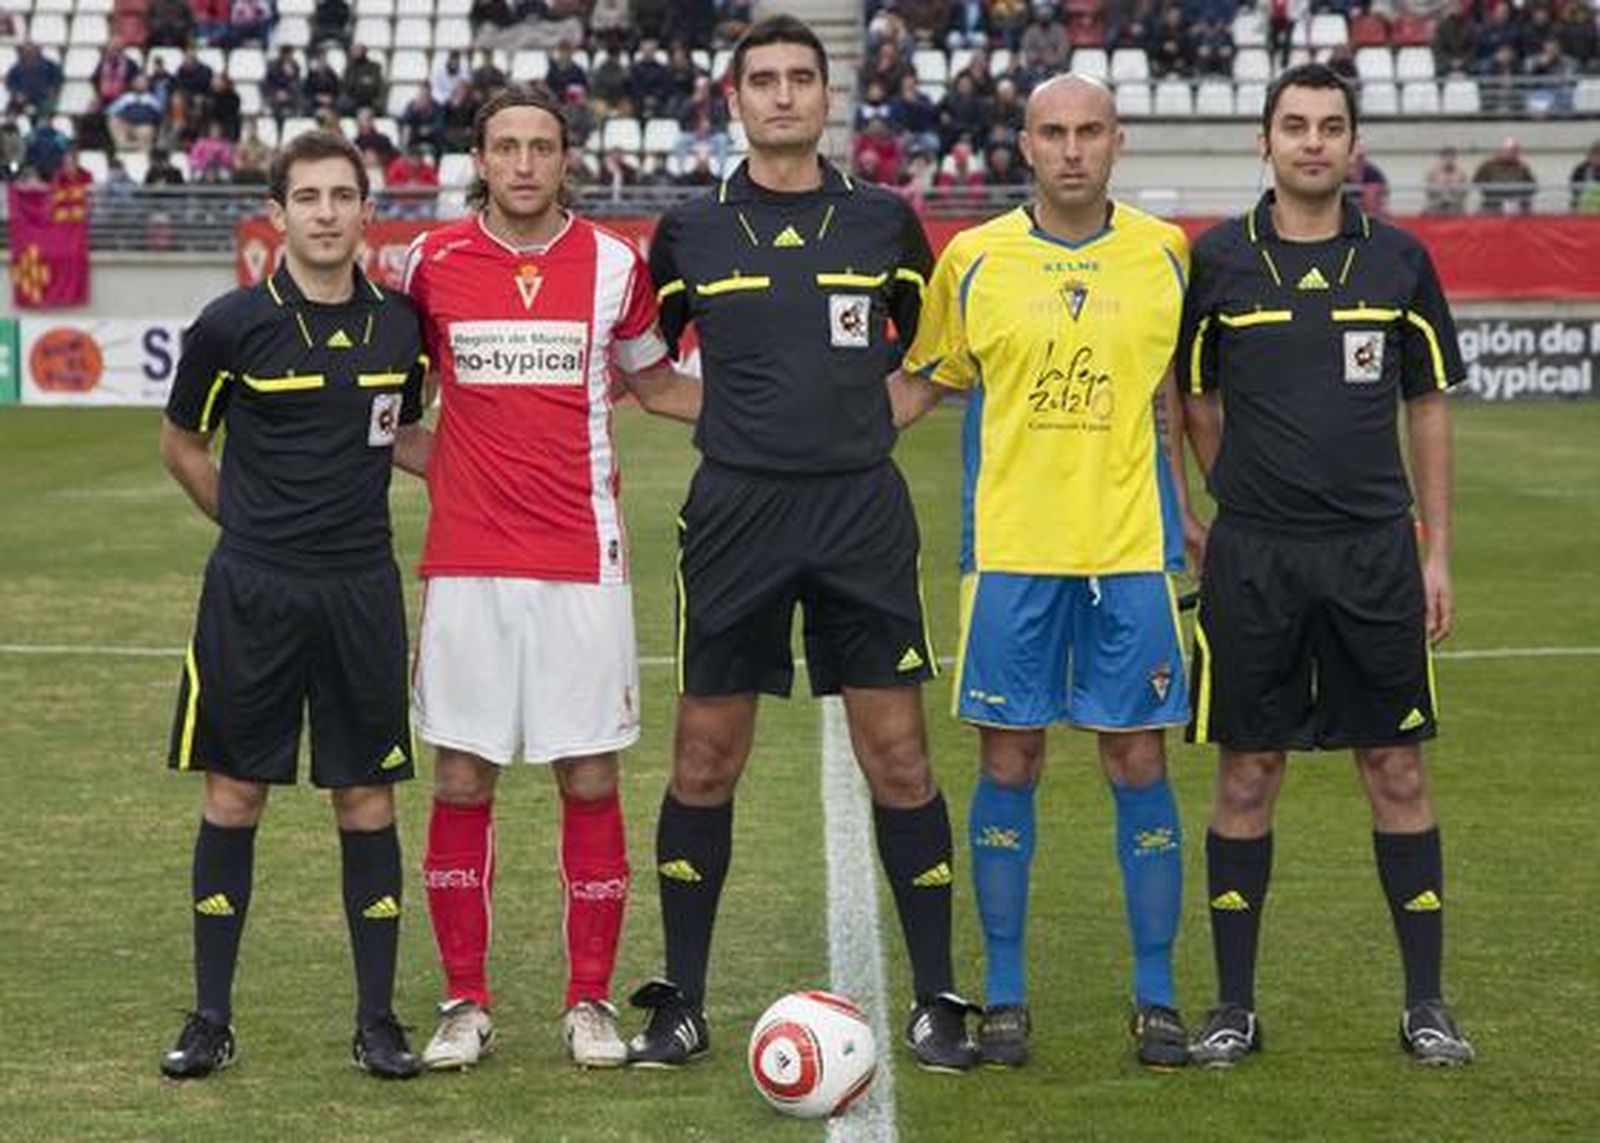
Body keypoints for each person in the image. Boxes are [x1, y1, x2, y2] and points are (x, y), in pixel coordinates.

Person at [626, 14, 979, 1074]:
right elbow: (646, 374)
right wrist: (737, 424)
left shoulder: (883, 223)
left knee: (900, 756)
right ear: (733, 100)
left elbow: (934, 359)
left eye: (799, 79)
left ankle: (936, 997)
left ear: (829, 100)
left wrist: (871, 421)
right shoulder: (690, 230)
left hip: (859, 514)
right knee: (704, 757)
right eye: (762, 80)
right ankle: (678, 1000)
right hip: (734, 515)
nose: (781, 95)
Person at [891, 74, 1199, 1071]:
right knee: (1008, 762)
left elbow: (1176, 393)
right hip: (1013, 553)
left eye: (1089, 132)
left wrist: (1195, 512)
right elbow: (926, 385)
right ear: (1023, 146)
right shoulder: (973, 260)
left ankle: (1155, 997)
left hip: (1129, 552)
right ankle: (1008, 995)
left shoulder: (1165, 253)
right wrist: (810, 438)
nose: (1071, 149)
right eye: (1052, 133)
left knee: (1138, 762)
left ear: (1118, 141)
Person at [1177, 63, 1474, 1069]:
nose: (1312, 142)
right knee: (1246, 771)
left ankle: (1425, 1003)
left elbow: (1425, 405)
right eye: (1294, 125)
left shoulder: (1399, 261)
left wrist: (1434, 548)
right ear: (1263, 141)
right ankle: (1231, 1008)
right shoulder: (1216, 261)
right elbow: (1193, 400)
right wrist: (1221, 505)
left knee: (1394, 766)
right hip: (1255, 558)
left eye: (1331, 127)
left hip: (1374, 557)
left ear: (1353, 146)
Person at [400, 84, 701, 1072]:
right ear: (478, 161)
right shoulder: (428, 267)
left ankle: (588, 1002)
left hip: (585, 559)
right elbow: (390, 409)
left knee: (589, 772)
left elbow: (657, 385)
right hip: (466, 565)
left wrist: (788, 411)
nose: (524, 163)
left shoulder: (616, 265)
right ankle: (464, 1002)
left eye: (541, 146)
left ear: (568, 159)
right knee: (459, 774)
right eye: (505, 147)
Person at [156, 129, 430, 1081]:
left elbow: (404, 433)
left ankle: (378, 1020)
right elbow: (184, 444)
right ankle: (211, 1018)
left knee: (366, 797)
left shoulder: (402, 328)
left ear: (365, 211)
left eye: (340, 196)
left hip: (361, 589)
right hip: (255, 591)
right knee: (235, 794)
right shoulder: (232, 324)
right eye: (306, 198)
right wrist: (253, 526)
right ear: (279, 215)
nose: (324, 213)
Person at [1473, 137, 1538, 215]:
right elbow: (1477, 182)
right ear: (1501, 150)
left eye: (1515, 151)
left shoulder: (1522, 167)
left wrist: (1519, 194)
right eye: (1510, 151)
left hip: (1516, 206)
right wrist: (1494, 190)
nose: (1512, 154)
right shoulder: (1488, 166)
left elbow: (1532, 186)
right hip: (1492, 206)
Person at [1423, 146, 1470, 216]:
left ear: (1455, 159)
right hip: (1437, 205)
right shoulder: (1433, 172)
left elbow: (1465, 191)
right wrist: (1440, 188)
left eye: (1452, 157)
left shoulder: (1461, 173)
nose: (1449, 160)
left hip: (1455, 206)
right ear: (1441, 158)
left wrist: (1456, 190)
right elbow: (1428, 191)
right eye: (1446, 157)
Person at [1567, 139, 1600, 213]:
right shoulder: (1581, 170)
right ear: (1590, 156)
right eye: (1596, 155)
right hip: (1584, 213)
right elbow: (1574, 189)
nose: (1598, 159)